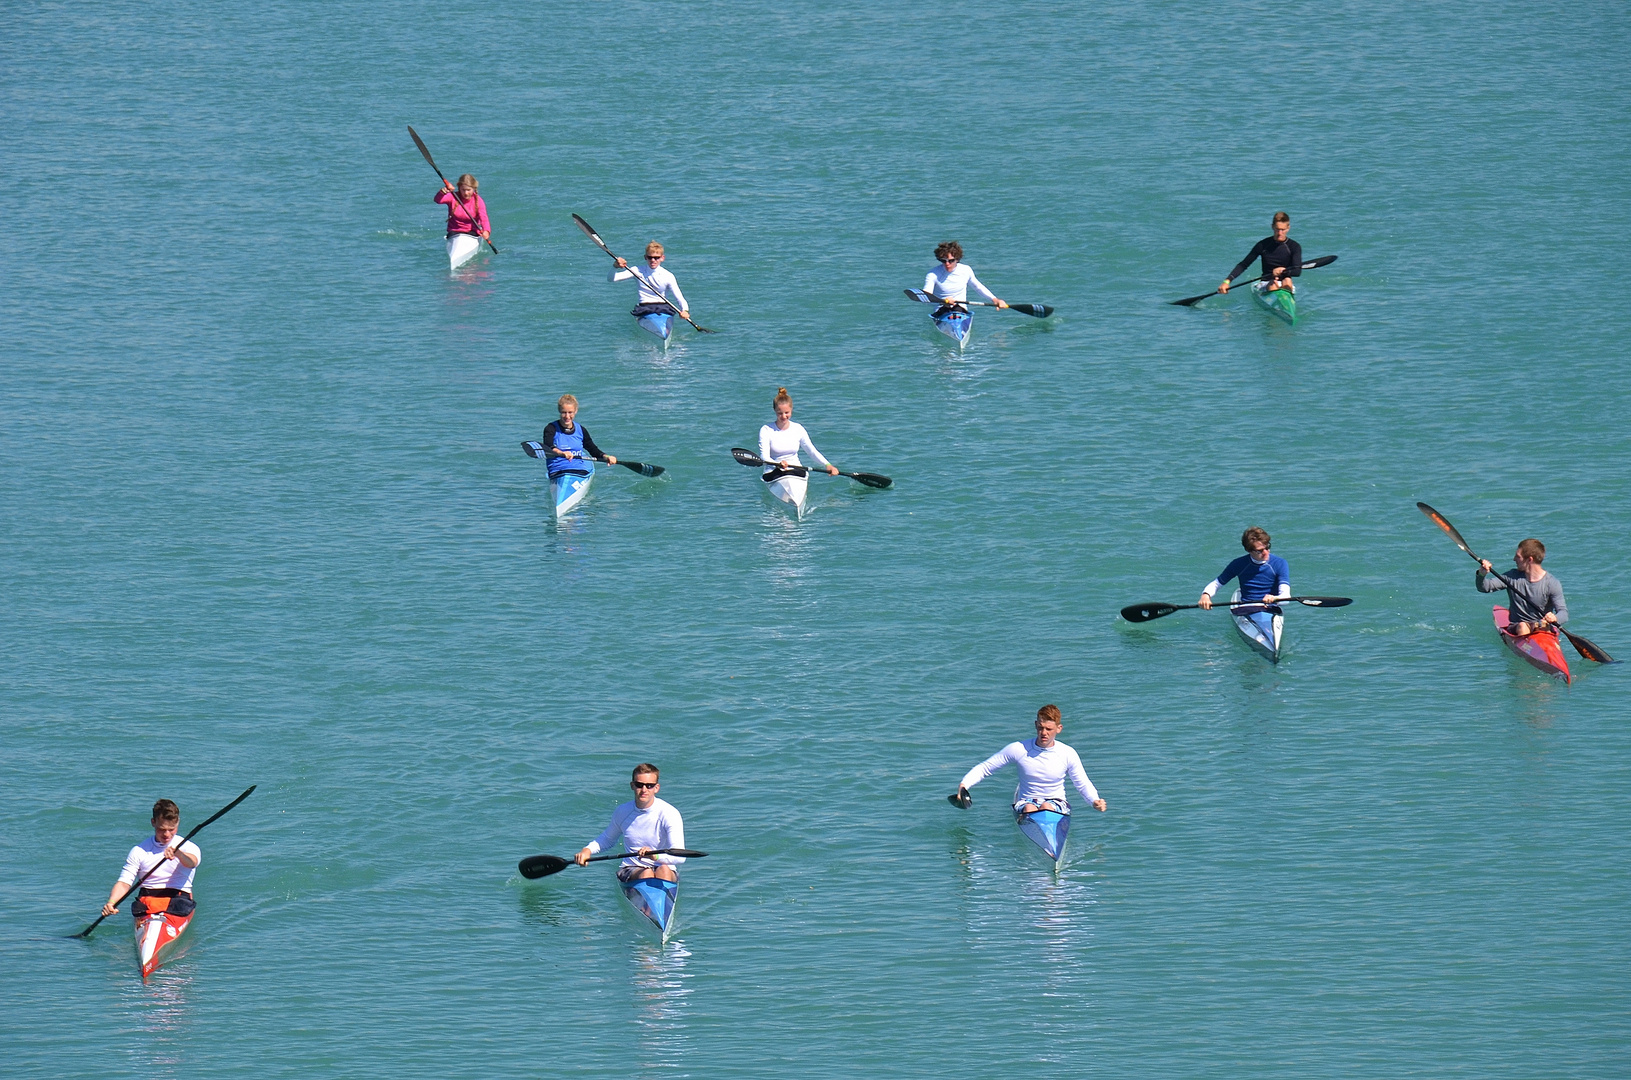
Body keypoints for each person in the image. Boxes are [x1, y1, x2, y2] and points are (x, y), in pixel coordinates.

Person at [953, 705, 1106, 814]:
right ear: (1035, 725)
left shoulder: (1067, 753)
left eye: (1048, 729)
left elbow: (1082, 783)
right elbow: (985, 768)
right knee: (1029, 809)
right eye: (1040, 728)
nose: (1043, 733)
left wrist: (1094, 800)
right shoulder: (1019, 749)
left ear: (1059, 729)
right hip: (1026, 802)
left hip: (1056, 803)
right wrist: (964, 784)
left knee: (1046, 807)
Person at [576, 764, 686, 884]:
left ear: (656, 788)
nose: (644, 790)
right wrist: (587, 850)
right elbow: (607, 839)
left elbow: (680, 856)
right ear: (632, 786)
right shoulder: (623, 811)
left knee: (664, 870)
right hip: (632, 868)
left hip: (665, 866)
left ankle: (655, 900)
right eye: (639, 785)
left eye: (649, 786)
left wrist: (656, 856)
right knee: (646, 873)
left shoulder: (670, 813)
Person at [101, 799, 200, 920]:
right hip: (147, 902)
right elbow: (124, 883)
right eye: (162, 829)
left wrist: (179, 854)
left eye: (171, 829)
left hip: (178, 901)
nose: (167, 834)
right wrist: (111, 902)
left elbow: (192, 862)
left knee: (179, 907)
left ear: (178, 822)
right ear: (153, 822)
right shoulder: (139, 851)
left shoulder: (188, 847)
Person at [1198, 526, 1290, 642]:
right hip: (1246, 609)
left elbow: (1286, 599)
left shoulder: (1280, 563)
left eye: (1267, 547)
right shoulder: (1239, 564)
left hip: (1271, 609)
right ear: (1249, 550)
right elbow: (1217, 583)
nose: (1266, 552)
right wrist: (1205, 595)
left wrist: (1275, 598)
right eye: (1260, 551)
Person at [1478, 539, 1567, 637]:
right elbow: (1484, 587)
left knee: (1543, 626)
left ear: (1529, 560)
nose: (1514, 559)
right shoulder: (1511, 577)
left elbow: (1563, 613)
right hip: (1517, 627)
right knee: (1523, 626)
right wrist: (1481, 574)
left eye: (1518, 556)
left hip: (1541, 627)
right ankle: (1527, 648)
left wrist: (1555, 618)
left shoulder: (1552, 583)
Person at [759, 387, 839, 478]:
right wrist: (778, 464)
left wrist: (828, 465)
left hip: (795, 470)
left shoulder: (798, 429)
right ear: (774, 411)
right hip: (773, 471)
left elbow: (811, 451)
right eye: (780, 413)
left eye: (787, 412)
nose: (784, 416)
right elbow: (764, 456)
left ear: (791, 410)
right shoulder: (766, 430)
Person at [1219, 212, 1301, 295]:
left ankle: (1285, 303)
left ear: (1288, 228)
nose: (1280, 233)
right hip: (1266, 282)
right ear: (1272, 227)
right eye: (1277, 229)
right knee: (1273, 285)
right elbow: (1243, 265)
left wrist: (1282, 270)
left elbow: (1297, 271)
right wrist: (1227, 281)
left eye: (1283, 230)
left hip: (1285, 283)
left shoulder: (1294, 246)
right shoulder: (1263, 245)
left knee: (1287, 281)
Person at [610, 242, 690, 324]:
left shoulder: (668, 276)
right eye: (650, 257)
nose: (653, 260)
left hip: (663, 308)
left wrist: (685, 310)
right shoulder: (636, 271)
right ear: (645, 257)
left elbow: (680, 298)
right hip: (644, 308)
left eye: (656, 258)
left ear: (662, 258)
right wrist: (615, 266)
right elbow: (612, 279)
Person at [923, 241, 1007, 316]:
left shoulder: (966, 270)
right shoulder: (933, 274)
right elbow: (926, 297)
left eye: (951, 261)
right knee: (946, 310)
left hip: (961, 309)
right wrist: (942, 300)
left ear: (957, 259)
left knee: (957, 310)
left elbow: (978, 287)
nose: (947, 264)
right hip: (941, 309)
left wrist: (995, 299)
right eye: (944, 261)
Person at [540, 394, 616, 478]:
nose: (567, 416)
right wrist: (561, 453)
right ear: (559, 411)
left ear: (576, 411)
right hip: (558, 471)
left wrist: (607, 457)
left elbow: (593, 450)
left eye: (570, 412)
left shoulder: (581, 430)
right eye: (564, 412)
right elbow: (548, 446)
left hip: (578, 472)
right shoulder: (551, 428)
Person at [434, 173, 490, 245]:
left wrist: (486, 231)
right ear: (459, 188)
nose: (466, 193)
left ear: (474, 189)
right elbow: (438, 200)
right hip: (454, 233)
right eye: (463, 190)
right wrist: (444, 190)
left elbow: (484, 218)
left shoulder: (478, 201)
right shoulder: (453, 197)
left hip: (472, 233)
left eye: (468, 190)